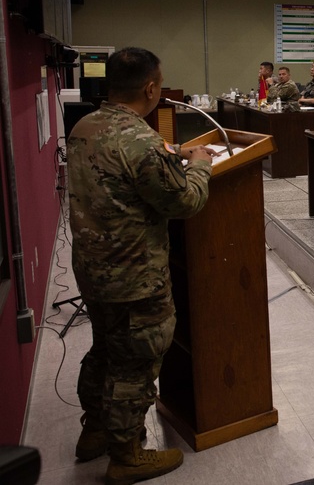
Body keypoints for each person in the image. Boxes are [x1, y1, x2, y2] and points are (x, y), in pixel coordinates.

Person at [68, 47, 215, 484]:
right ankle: (127, 455)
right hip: (135, 276)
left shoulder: (84, 125)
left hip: (93, 270)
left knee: (104, 351)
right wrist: (201, 167)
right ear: (151, 87)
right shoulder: (140, 140)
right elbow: (185, 201)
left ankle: (94, 432)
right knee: (135, 364)